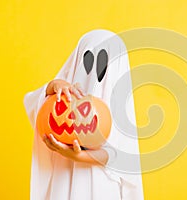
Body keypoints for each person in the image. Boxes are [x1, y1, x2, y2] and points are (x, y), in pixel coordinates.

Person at [24, 30, 144, 200]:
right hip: (63, 176)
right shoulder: (62, 96)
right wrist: (54, 85)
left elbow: (120, 155)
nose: (93, 69)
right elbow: (33, 102)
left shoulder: (120, 106)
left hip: (100, 183)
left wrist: (79, 156)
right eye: (87, 59)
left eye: (103, 61)